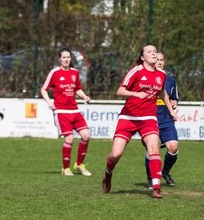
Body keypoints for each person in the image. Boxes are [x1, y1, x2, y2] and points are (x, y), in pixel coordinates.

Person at [103, 44, 175, 199]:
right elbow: (120, 91)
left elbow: (162, 92)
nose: (153, 53)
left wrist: (171, 111)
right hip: (128, 117)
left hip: (148, 118)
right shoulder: (136, 71)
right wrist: (136, 95)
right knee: (116, 154)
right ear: (143, 57)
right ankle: (108, 174)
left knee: (154, 149)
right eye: (149, 52)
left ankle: (156, 187)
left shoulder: (161, 75)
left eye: (155, 51)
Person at [40, 48, 93, 176]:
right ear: (59, 59)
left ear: (71, 59)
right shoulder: (55, 72)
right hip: (61, 111)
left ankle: (79, 165)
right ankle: (65, 168)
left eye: (68, 57)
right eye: (63, 57)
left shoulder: (75, 72)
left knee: (86, 135)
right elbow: (43, 89)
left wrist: (84, 96)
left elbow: (78, 89)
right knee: (69, 138)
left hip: (74, 110)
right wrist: (49, 103)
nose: (66, 59)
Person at [146, 51, 181, 187]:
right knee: (151, 150)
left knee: (173, 147)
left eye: (161, 59)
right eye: (157, 59)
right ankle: (150, 177)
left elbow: (174, 98)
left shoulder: (171, 80)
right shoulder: (147, 77)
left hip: (166, 119)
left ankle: (165, 172)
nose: (159, 62)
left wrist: (174, 103)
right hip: (150, 118)